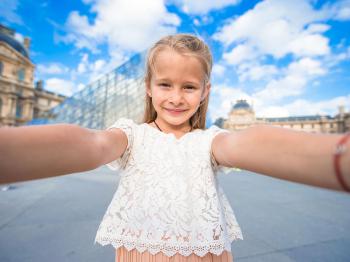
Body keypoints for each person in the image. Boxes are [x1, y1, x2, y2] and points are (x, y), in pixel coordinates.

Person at [0, 34, 349, 262]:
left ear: (205, 92)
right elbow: (90, 144)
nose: (177, 97)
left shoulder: (209, 142)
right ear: (148, 88)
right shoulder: (131, 136)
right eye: (165, 84)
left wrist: (338, 159)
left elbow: (250, 143)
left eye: (189, 87)